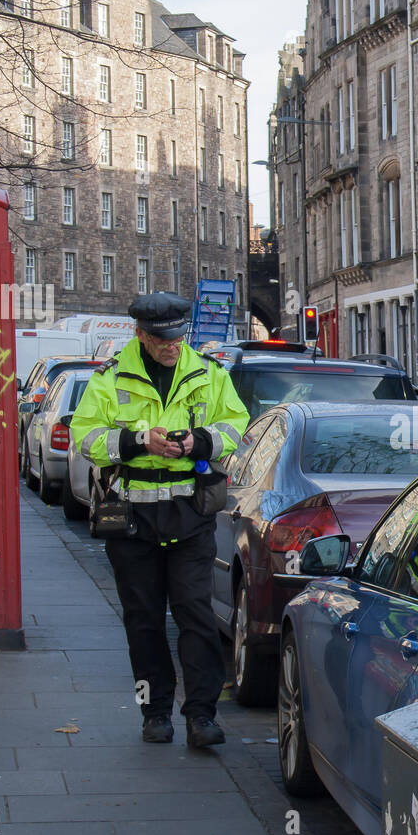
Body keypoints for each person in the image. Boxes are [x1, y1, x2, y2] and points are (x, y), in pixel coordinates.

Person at [70, 293, 250, 747]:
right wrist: (137, 440)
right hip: (131, 517)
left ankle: (202, 716)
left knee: (195, 614)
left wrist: (199, 442)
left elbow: (236, 425)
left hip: (190, 513)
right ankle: (155, 713)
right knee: (143, 619)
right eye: (163, 339)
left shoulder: (209, 374)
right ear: (141, 335)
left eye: (178, 336)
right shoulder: (110, 377)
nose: (173, 345)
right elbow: (85, 435)